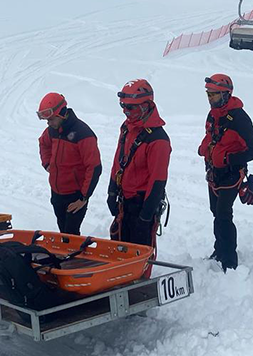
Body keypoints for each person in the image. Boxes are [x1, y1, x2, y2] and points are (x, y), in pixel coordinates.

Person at [197, 74, 253, 272]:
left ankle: (229, 259)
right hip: (214, 172)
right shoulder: (213, 115)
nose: (210, 99)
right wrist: (205, 148)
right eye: (208, 95)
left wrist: (228, 159)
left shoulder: (239, 118)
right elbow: (212, 136)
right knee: (216, 212)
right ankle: (219, 250)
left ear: (226, 95)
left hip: (232, 174)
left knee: (224, 214)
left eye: (214, 95)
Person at [107, 79, 170, 252]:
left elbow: (158, 180)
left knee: (139, 252)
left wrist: (146, 215)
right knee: (119, 248)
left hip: (142, 203)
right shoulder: (127, 128)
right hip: (124, 201)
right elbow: (118, 162)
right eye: (123, 107)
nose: (126, 112)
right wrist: (112, 190)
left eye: (131, 107)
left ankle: (142, 278)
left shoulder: (158, 140)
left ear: (146, 105)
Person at [38, 92, 102, 235]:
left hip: (75, 195)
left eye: (51, 119)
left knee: (70, 235)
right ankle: (66, 256)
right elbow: (43, 144)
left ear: (61, 114)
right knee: (63, 232)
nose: (49, 123)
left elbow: (94, 167)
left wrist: (83, 198)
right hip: (56, 193)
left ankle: (74, 257)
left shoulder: (83, 133)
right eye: (47, 121)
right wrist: (47, 164)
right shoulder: (52, 131)